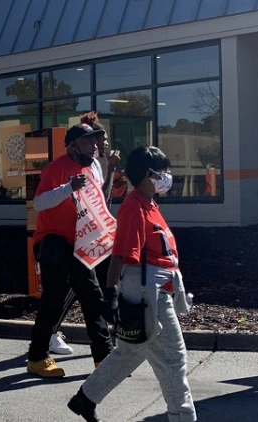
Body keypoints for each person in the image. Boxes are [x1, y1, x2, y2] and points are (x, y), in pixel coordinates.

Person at [68, 146, 195, 422]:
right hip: (150, 295)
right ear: (146, 175)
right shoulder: (133, 207)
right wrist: (111, 295)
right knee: (173, 361)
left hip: (155, 290)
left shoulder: (149, 204)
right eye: (162, 172)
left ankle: (85, 399)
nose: (167, 176)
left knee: (129, 353)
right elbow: (121, 255)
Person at [26, 121, 115, 378]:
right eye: (88, 142)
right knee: (53, 301)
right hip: (54, 241)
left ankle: (104, 357)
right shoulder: (56, 168)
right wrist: (68, 188)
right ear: (73, 146)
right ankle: (38, 358)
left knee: (93, 297)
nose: (94, 146)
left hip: (81, 243)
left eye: (95, 142)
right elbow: (40, 203)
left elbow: (99, 203)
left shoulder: (93, 168)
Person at [49, 112, 121, 357]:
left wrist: (110, 170)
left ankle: (110, 339)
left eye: (101, 141)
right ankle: (52, 332)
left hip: (98, 232)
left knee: (99, 287)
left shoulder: (97, 165)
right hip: (79, 234)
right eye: (101, 140)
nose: (104, 144)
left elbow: (104, 197)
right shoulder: (70, 165)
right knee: (83, 287)